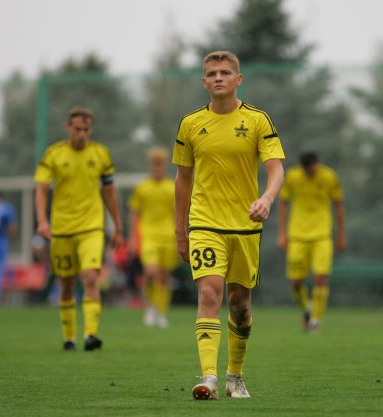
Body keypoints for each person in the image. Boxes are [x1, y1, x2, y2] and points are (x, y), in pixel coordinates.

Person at [173, 51, 285, 400]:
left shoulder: (257, 120)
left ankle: (235, 375)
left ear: (239, 79)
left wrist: (266, 199)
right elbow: (182, 181)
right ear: (204, 82)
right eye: (211, 73)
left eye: (225, 72)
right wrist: (181, 229)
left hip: (245, 226)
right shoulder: (190, 124)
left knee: (240, 304)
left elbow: (277, 169)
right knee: (209, 292)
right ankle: (208, 378)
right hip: (205, 223)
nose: (218, 77)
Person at [34, 107, 123, 351]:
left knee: (91, 277)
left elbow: (110, 191)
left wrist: (117, 226)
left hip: (92, 228)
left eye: (85, 129)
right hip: (61, 229)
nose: (81, 134)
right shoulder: (53, 154)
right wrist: (42, 221)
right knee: (66, 283)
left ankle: (90, 334)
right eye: (77, 129)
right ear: (68, 128)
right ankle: (69, 337)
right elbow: (41, 188)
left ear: (89, 129)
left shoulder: (101, 154)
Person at [277, 152, 346, 333]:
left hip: (322, 235)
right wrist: (282, 234)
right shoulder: (292, 177)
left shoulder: (329, 177)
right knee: (296, 282)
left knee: (320, 278)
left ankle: (315, 321)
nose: (311, 172)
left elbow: (338, 205)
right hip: (297, 236)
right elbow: (283, 203)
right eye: (307, 170)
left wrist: (341, 235)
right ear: (302, 167)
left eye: (313, 168)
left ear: (318, 164)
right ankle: (308, 309)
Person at [128, 147, 179, 327]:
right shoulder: (142, 188)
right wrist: (133, 239)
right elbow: (134, 213)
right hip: (148, 236)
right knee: (150, 272)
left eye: (161, 164)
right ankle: (150, 307)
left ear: (164, 166)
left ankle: (160, 312)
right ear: (150, 166)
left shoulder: (172, 187)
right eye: (154, 164)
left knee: (164, 278)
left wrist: (181, 236)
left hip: (168, 237)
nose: (158, 168)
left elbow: (178, 214)